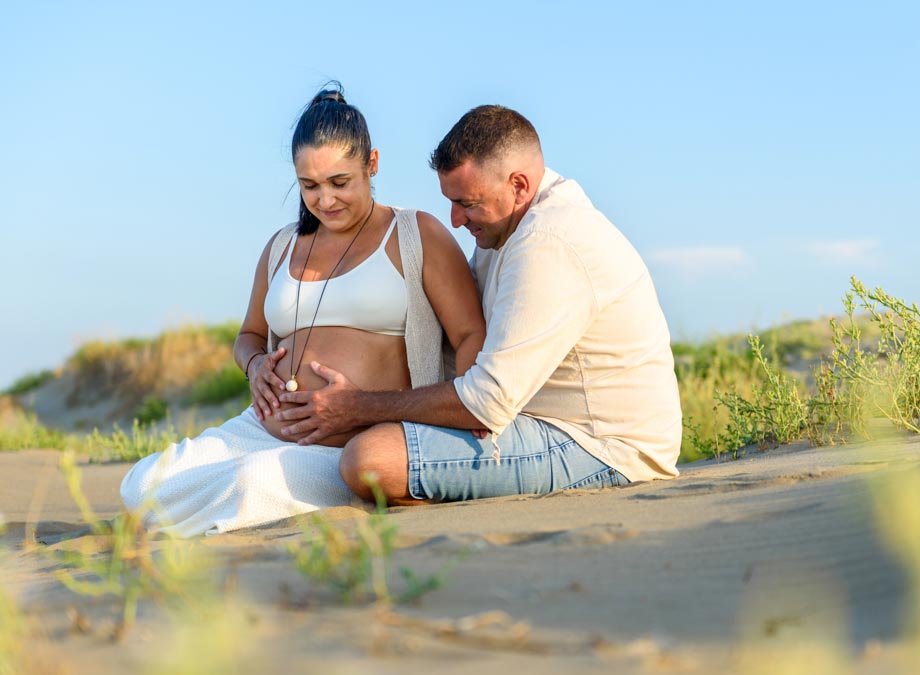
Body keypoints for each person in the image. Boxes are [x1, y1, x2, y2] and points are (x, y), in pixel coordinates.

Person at [119, 87, 485, 534]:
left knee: (252, 484)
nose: (325, 200)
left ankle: (211, 513)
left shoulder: (414, 234)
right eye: (309, 186)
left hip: (354, 441)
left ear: (372, 163)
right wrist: (254, 367)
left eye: (339, 182)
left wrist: (466, 413)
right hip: (258, 428)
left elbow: (469, 332)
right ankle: (206, 509)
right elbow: (248, 335)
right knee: (140, 486)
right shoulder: (281, 246)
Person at [275, 105, 682, 504]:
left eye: (468, 204)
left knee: (372, 459)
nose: (454, 219)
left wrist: (356, 407)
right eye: (451, 201)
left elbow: (485, 402)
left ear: (518, 185)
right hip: (536, 421)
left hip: (601, 444)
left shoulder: (548, 242)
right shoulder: (502, 229)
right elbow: (454, 336)